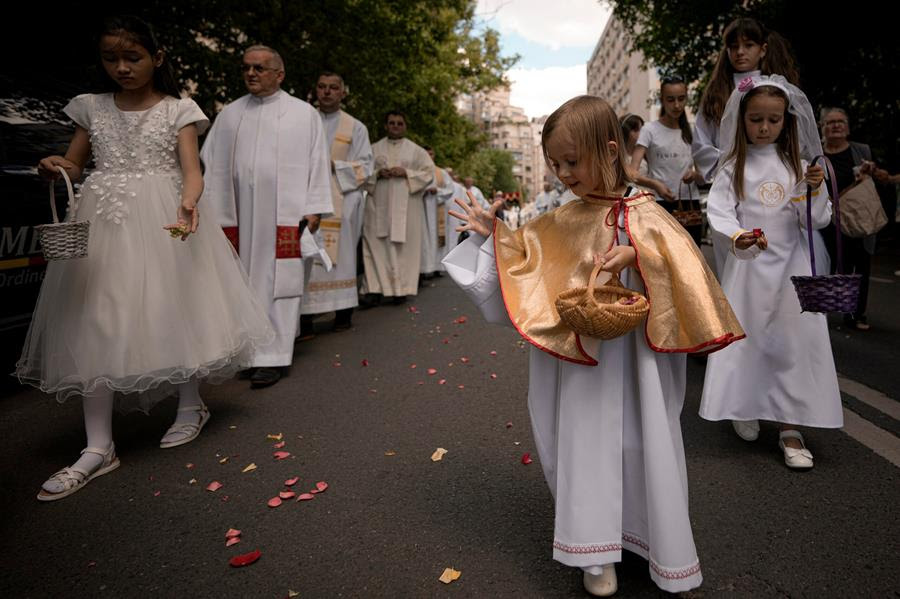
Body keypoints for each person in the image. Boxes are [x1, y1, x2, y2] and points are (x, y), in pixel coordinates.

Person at [443, 95, 744, 595]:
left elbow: (689, 276)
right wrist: (493, 234)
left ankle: (653, 540)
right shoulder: (564, 217)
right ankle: (593, 550)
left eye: (571, 161)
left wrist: (640, 256)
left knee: (642, 438)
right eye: (555, 164)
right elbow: (525, 262)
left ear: (607, 150)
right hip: (581, 365)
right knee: (583, 439)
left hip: (639, 362)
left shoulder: (651, 216)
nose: (563, 174)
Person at [17, 16, 273, 501]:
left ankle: (189, 404)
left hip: (163, 215)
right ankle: (97, 446)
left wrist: (190, 202)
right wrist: (56, 166)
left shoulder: (179, 109)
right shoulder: (90, 107)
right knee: (95, 317)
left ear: (156, 58)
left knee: (176, 305)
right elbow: (75, 161)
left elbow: (191, 170)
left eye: (131, 58)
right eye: (111, 58)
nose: (121, 67)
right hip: (104, 220)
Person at [700, 75, 842, 470]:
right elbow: (721, 211)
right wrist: (739, 235)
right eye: (756, 119)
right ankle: (743, 403)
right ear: (743, 120)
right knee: (748, 340)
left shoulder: (797, 165)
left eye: (773, 120)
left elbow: (813, 220)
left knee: (791, 345)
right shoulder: (734, 167)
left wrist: (813, 190)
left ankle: (790, 428)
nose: (764, 127)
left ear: (787, 121)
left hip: (791, 271)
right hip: (749, 272)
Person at [202, 45, 332, 389]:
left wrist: (314, 210)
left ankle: (273, 357)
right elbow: (209, 161)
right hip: (239, 218)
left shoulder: (304, 114)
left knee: (280, 284)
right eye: (247, 68)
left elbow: (318, 163)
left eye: (260, 68)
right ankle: (246, 353)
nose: (251, 74)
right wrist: (212, 210)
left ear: (279, 74)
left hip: (284, 218)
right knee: (240, 282)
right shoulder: (230, 114)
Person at [693, 17, 800, 275]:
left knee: (781, 260)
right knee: (735, 266)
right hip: (732, 182)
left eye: (748, 45)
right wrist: (733, 163)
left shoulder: (776, 88)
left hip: (773, 181)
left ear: (763, 49)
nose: (740, 52)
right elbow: (701, 142)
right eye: (733, 46)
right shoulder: (715, 93)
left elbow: (791, 135)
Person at [299, 72, 373, 339]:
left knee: (341, 258)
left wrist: (334, 165)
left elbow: (366, 167)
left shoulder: (356, 127)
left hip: (343, 199)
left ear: (343, 92)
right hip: (306, 198)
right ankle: (305, 318)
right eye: (321, 87)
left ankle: (343, 312)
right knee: (306, 255)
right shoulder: (303, 120)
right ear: (315, 90)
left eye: (333, 88)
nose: (327, 92)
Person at [360, 111, 435, 302]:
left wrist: (406, 173)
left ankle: (400, 290)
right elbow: (360, 173)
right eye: (391, 123)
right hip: (378, 206)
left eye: (399, 123)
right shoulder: (373, 149)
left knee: (403, 248)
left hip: (406, 208)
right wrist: (377, 174)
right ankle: (374, 289)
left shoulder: (417, 151)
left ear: (405, 126)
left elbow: (428, 174)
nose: (395, 126)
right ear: (385, 125)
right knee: (375, 246)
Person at [820, 107, 878, 330]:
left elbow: (878, 178)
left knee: (860, 264)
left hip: (857, 218)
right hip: (827, 220)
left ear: (848, 127)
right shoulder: (816, 153)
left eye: (840, 122)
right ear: (822, 128)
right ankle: (820, 309)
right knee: (829, 264)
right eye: (830, 122)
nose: (836, 126)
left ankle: (856, 313)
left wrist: (870, 171)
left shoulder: (861, 150)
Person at [630, 76, 704, 244]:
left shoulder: (692, 131)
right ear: (662, 100)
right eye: (670, 99)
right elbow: (631, 172)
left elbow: (701, 176)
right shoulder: (649, 130)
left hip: (690, 206)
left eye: (681, 99)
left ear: (686, 98)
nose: (676, 105)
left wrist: (694, 175)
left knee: (693, 260)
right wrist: (656, 185)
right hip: (660, 204)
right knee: (664, 261)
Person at [419, 146, 452, 279]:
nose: (428, 156)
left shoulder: (441, 172)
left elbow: (449, 189)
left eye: (431, 154)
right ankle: (423, 268)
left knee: (436, 236)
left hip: (436, 208)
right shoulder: (418, 171)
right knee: (423, 238)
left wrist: (437, 191)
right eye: (426, 154)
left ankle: (437, 266)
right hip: (420, 207)